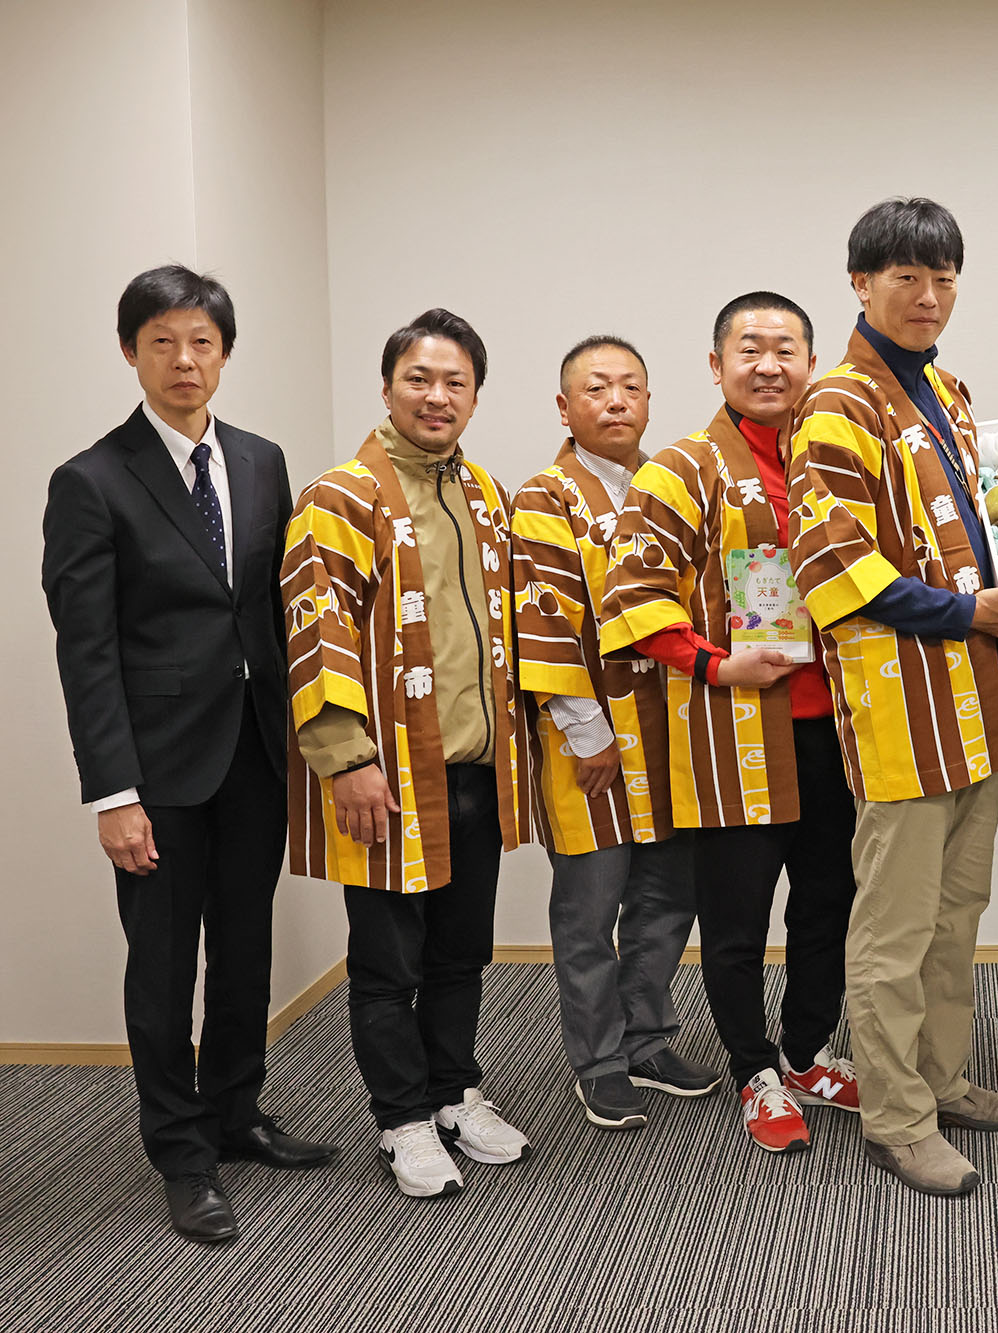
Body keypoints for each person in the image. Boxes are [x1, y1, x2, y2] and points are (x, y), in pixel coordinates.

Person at [42, 265, 337, 1244]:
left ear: (225, 353)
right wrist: (112, 793)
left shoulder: (259, 460)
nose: (184, 360)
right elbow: (86, 650)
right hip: (156, 771)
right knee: (164, 966)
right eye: (162, 341)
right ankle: (179, 1149)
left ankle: (236, 1110)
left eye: (201, 342)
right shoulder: (91, 480)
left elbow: (273, 609)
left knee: (245, 947)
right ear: (130, 351)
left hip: (255, 751)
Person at [788, 198, 998, 1196]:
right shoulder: (836, 403)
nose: (928, 295)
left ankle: (941, 1078)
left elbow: (981, 532)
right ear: (860, 283)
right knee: (893, 930)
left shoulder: (947, 390)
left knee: (956, 911)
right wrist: (970, 612)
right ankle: (896, 1117)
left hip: (972, 698)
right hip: (899, 709)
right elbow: (835, 568)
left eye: (943, 277)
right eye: (906, 276)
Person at [596, 294, 864, 1156]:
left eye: (787, 348)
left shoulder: (839, 459)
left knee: (828, 902)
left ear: (811, 365)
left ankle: (806, 1051)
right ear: (716, 365)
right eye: (750, 348)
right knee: (737, 919)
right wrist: (716, 664)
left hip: (837, 731)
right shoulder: (682, 468)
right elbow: (632, 596)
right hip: (734, 729)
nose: (769, 364)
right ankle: (754, 1068)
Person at [284, 308, 532, 1198]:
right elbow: (316, 632)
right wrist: (344, 758)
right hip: (387, 773)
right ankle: (401, 1118)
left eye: (454, 381)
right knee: (388, 963)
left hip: (474, 768)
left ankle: (454, 1090)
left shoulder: (487, 494)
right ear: (387, 387)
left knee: (460, 953)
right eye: (418, 379)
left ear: (475, 395)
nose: (437, 396)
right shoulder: (341, 496)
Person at [510, 335, 719, 1134]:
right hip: (591, 738)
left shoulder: (667, 486)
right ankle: (598, 1060)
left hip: (671, 731)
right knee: (590, 908)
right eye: (596, 388)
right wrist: (586, 730)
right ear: (565, 408)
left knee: (668, 897)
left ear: (650, 401)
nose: (616, 400)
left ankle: (648, 1038)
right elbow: (544, 620)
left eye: (630, 386)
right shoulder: (546, 496)